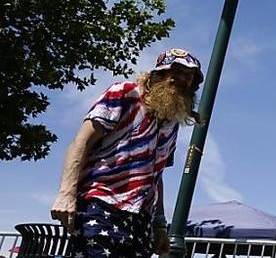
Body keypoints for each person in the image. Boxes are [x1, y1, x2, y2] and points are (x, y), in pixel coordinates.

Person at [50, 48, 203, 258]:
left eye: (189, 75)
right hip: (101, 204)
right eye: (176, 71)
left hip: (141, 219)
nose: (182, 79)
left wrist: (159, 224)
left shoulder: (171, 124)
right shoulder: (124, 94)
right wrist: (66, 193)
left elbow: (156, 175)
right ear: (159, 74)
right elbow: (81, 142)